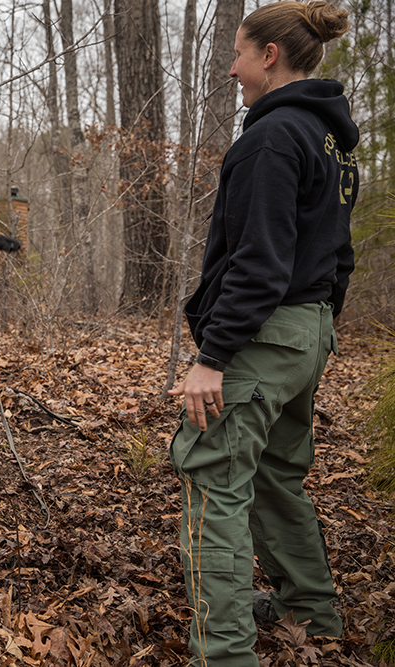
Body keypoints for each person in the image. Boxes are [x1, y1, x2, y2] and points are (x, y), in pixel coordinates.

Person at [167, 1, 358, 664]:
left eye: (240, 53)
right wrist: (314, 329)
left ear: (270, 56)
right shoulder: (331, 141)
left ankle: (224, 654)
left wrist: (212, 356)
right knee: (277, 475)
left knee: (213, 479)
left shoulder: (272, 138)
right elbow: (339, 257)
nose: (231, 67)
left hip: (264, 334)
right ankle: (315, 615)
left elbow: (258, 258)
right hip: (306, 333)